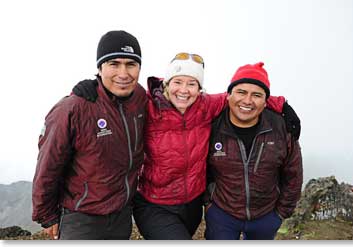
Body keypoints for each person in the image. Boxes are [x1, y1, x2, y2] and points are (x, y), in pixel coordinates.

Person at [72, 53, 300, 240]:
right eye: (178, 82)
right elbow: (116, 94)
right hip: (154, 204)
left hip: (191, 204)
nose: (184, 90)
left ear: (200, 89)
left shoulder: (206, 106)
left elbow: (242, 96)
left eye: (192, 84)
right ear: (166, 83)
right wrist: (92, 86)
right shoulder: (147, 106)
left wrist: (281, 104)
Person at [32, 30, 147, 240]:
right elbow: (48, 164)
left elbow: (173, 92)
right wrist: (46, 215)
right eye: (114, 64)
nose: (123, 73)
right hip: (82, 219)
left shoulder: (139, 98)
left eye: (131, 64)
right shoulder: (73, 108)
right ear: (99, 68)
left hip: (122, 216)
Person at [204, 62, 303, 240]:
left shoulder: (282, 128)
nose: (247, 101)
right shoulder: (212, 126)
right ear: (228, 96)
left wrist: (281, 213)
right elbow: (199, 168)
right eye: (241, 92)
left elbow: (293, 174)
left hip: (266, 215)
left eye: (256, 95)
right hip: (222, 214)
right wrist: (208, 204)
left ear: (266, 102)